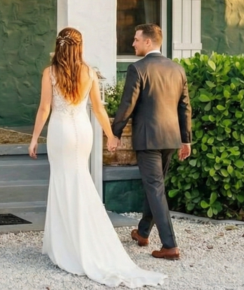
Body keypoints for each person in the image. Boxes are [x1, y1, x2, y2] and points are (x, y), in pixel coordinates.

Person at [28, 27, 167, 288]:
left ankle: (68, 244)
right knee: (81, 181)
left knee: (63, 183)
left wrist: (34, 138)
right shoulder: (89, 72)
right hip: (83, 131)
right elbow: (99, 108)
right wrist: (110, 136)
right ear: (79, 47)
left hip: (61, 132)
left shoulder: (50, 73)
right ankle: (85, 238)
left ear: (58, 46)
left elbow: (45, 108)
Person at [111, 23, 193, 261]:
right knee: (154, 186)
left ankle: (170, 245)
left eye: (136, 39)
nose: (133, 43)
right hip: (171, 138)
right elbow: (185, 107)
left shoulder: (137, 68)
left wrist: (115, 133)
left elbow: (127, 104)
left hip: (148, 138)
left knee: (155, 187)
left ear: (148, 42)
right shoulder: (178, 69)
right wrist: (186, 140)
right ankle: (143, 232)